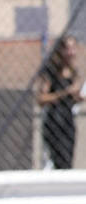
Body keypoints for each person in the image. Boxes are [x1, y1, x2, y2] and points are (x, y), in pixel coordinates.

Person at [35, 35, 83, 170]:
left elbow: (74, 98)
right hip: (54, 120)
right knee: (57, 159)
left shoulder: (74, 72)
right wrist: (65, 93)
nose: (71, 52)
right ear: (60, 51)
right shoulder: (51, 71)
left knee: (68, 159)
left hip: (68, 119)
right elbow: (41, 99)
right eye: (68, 48)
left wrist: (78, 96)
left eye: (73, 48)